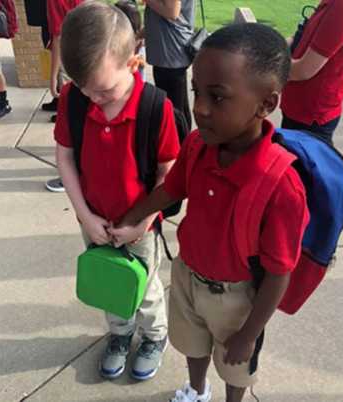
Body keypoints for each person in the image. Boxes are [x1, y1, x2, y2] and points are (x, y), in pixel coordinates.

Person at [111, 23, 309, 402]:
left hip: (236, 299)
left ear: (266, 104)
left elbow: (279, 273)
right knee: (192, 345)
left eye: (217, 97)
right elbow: (172, 189)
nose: (199, 108)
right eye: (197, 92)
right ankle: (197, 390)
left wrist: (249, 334)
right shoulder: (199, 145)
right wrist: (133, 215)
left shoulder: (281, 185)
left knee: (236, 364)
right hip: (187, 275)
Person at [54, 1, 180, 380]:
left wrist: (144, 222)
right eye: (83, 88)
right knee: (110, 282)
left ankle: (154, 335)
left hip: (139, 222)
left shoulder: (155, 108)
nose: (94, 98)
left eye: (103, 90)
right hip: (94, 219)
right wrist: (85, 216)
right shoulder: (74, 100)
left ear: (133, 61)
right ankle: (120, 334)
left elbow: (167, 174)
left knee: (144, 287)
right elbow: (65, 158)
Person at [280, 0, 343, 145]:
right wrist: (269, 46)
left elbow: (303, 70)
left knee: (302, 165)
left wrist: (261, 66)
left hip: (310, 117)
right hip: (299, 108)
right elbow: (300, 37)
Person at [43, 0, 84, 192]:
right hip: (85, 58)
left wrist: (52, 76)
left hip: (70, 64)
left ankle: (73, 176)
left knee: (73, 125)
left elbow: (60, 37)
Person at [144, 0, 195, 131]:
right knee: (178, 106)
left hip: (170, 52)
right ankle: (184, 144)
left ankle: (179, 146)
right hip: (169, 52)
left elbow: (172, 12)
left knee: (173, 109)